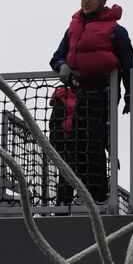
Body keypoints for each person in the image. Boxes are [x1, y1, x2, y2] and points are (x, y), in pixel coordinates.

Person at [48, 0, 133, 205]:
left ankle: (97, 195)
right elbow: (56, 57)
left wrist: (130, 94)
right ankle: (82, 193)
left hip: (104, 91)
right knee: (78, 139)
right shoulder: (74, 29)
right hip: (82, 92)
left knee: (94, 139)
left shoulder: (116, 31)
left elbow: (129, 65)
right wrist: (63, 67)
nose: (86, 2)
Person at [48, 77, 80, 205]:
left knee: (73, 172)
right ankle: (63, 203)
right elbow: (55, 124)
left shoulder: (86, 97)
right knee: (67, 173)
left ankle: (67, 202)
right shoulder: (63, 97)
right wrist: (57, 143)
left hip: (80, 141)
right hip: (66, 141)